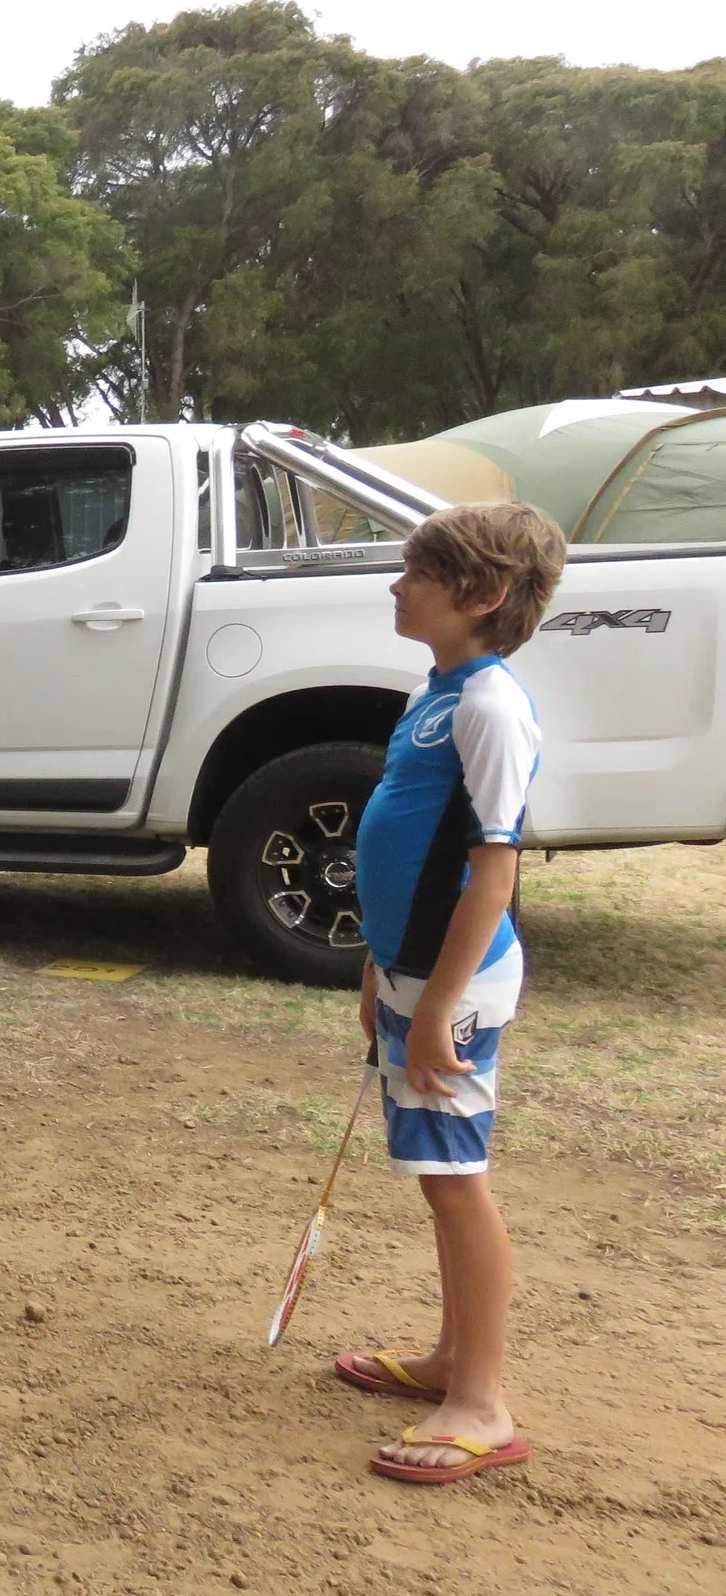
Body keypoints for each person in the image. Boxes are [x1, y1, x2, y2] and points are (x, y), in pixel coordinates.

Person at [335, 501, 566, 1482]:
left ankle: (482, 1403)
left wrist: (433, 1007)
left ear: (480, 594)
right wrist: (378, 969)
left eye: (413, 576)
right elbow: (407, 843)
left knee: (455, 1184)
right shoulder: (435, 690)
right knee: (437, 1179)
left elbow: (491, 873)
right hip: (414, 975)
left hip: (455, 991)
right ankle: (448, 1361)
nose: (394, 588)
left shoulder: (488, 707)